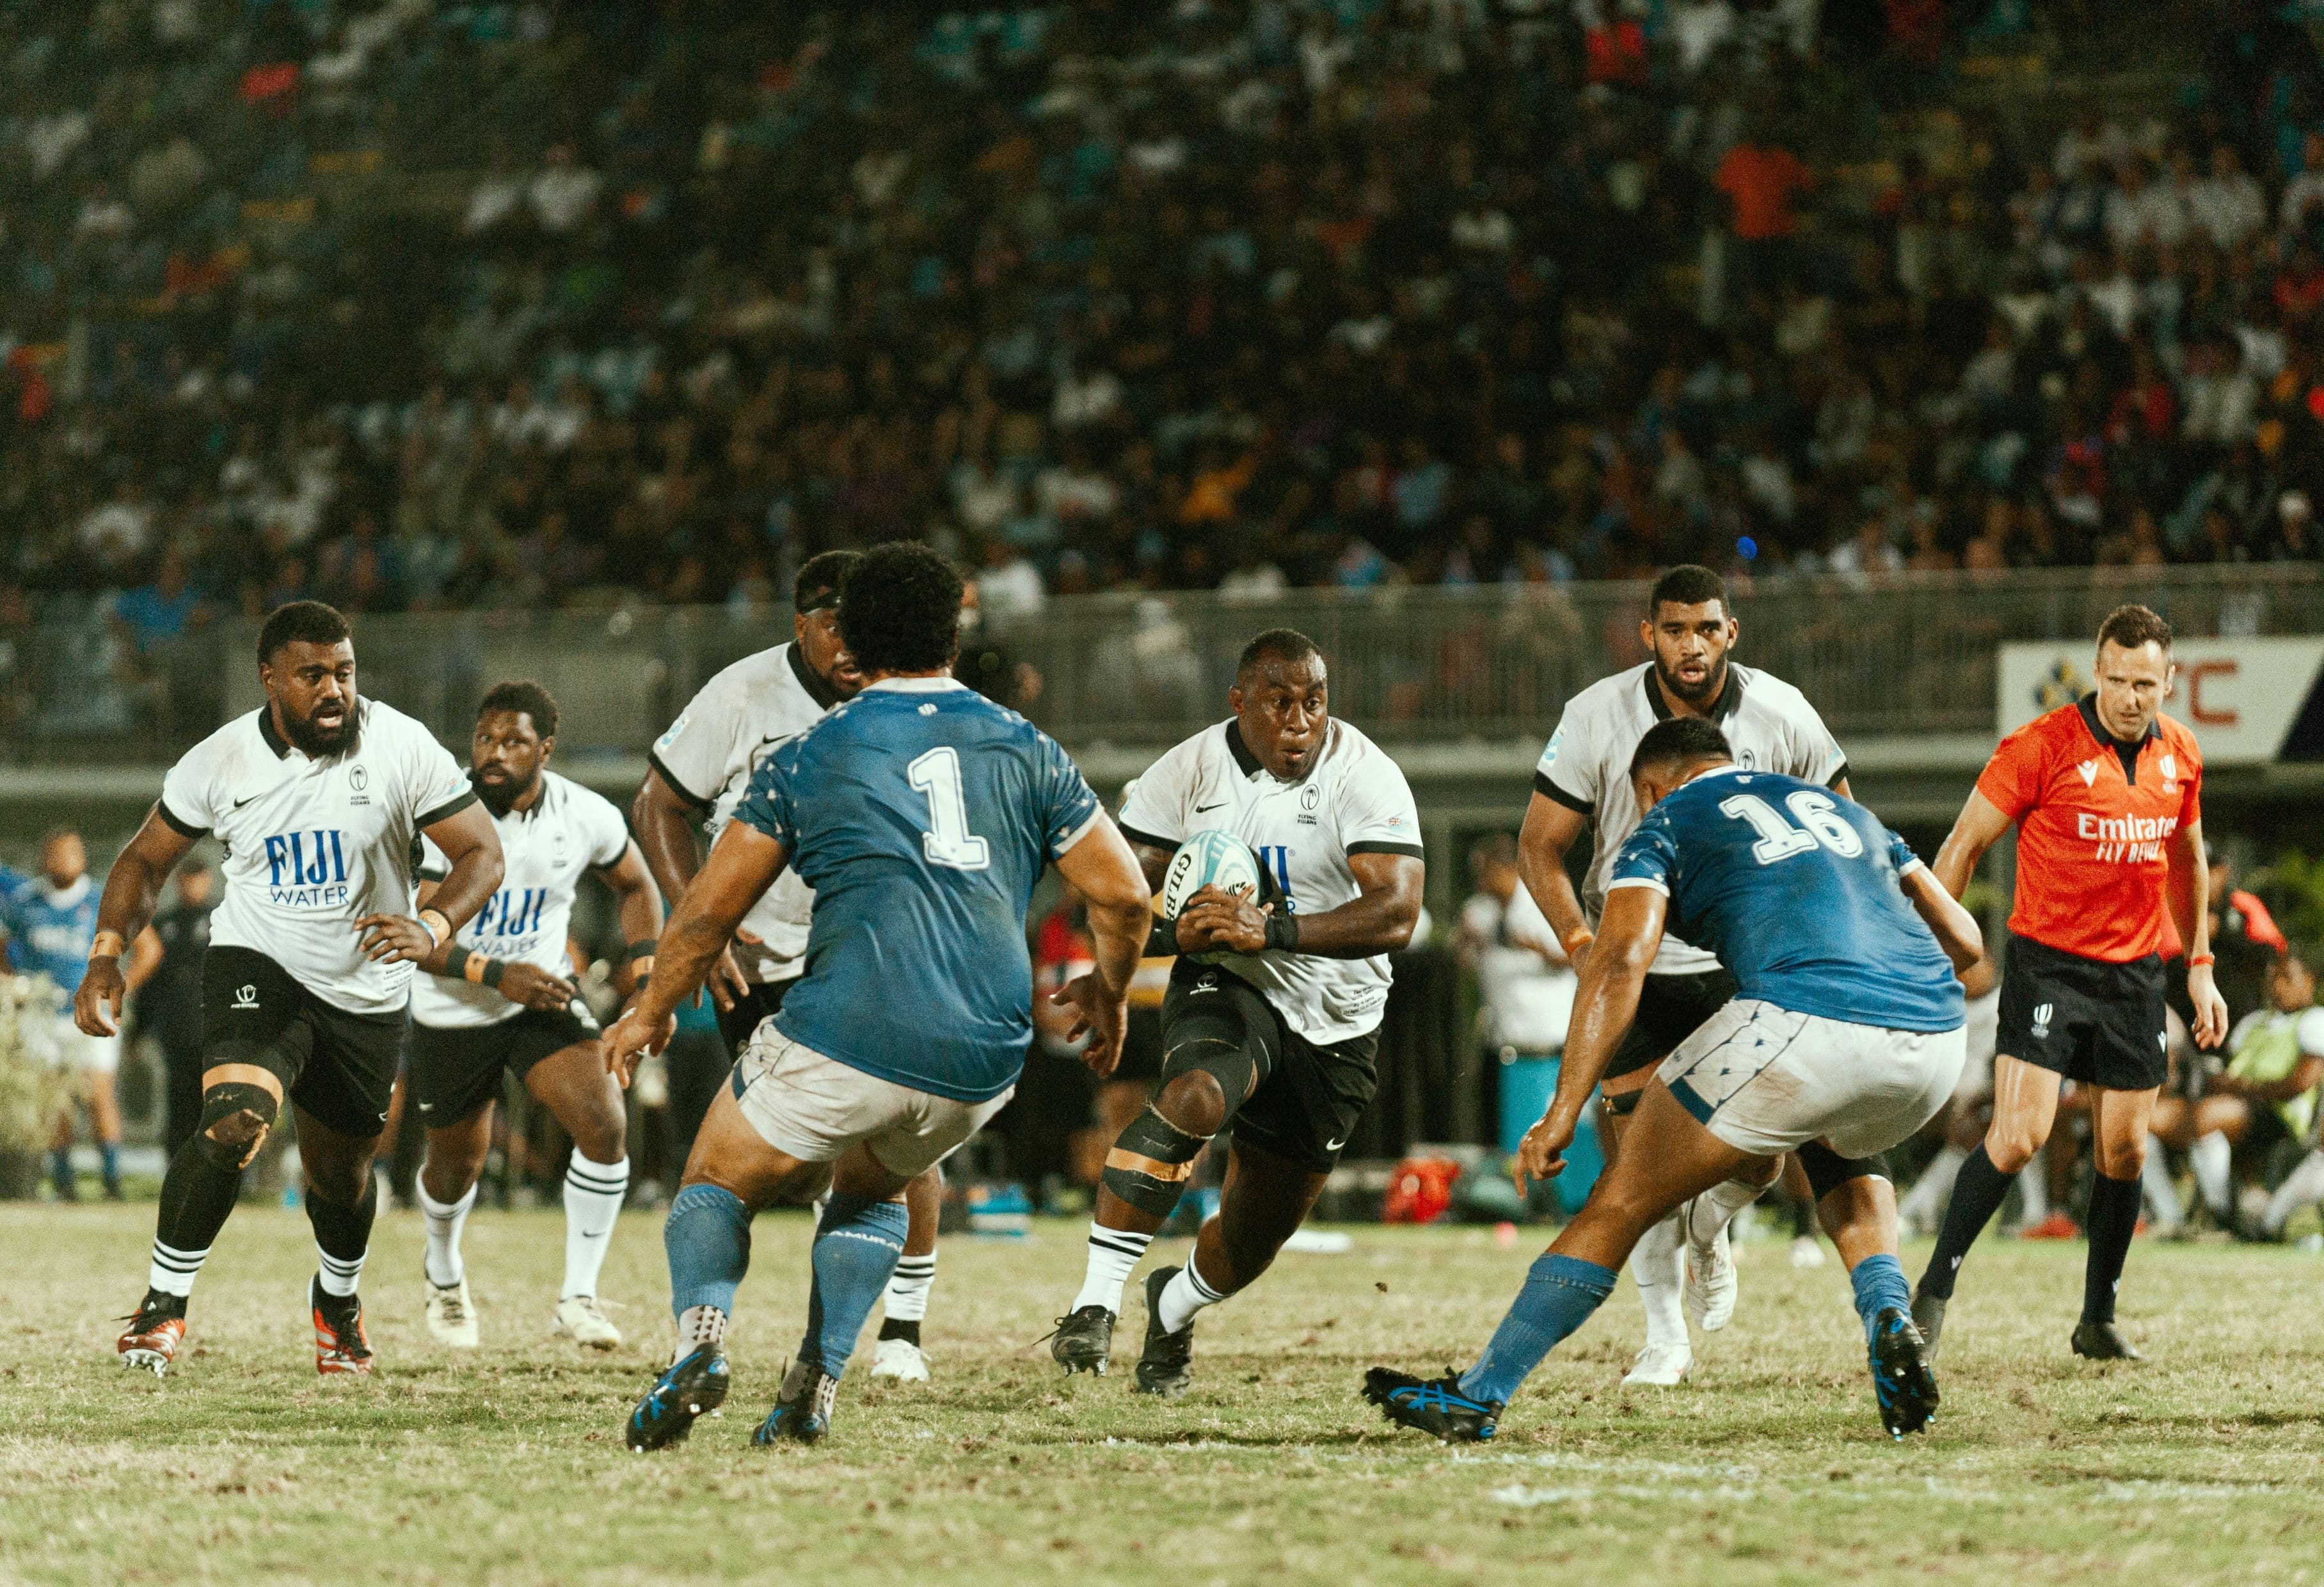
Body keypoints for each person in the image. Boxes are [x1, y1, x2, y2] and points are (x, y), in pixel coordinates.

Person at [606, 542, 1150, 1450]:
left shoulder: (817, 747)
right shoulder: (1027, 743)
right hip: (987, 1053)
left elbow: (706, 913)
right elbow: (1127, 894)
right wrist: (1113, 990)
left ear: (855, 636)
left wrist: (651, 1009)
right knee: (873, 1187)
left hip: (855, 1026)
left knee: (714, 1182)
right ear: (954, 631)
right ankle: (818, 1378)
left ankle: (699, 1347)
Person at [1364, 717, 1983, 1444]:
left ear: (1649, 787)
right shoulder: (1844, 809)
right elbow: (1966, 943)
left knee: (1622, 1196)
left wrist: (1563, 1108)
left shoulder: (1665, 820)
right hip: (1934, 1039)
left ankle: (1480, 1392)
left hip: (1810, 1022)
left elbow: (1620, 959)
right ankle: (1886, 1310)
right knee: (1836, 1150)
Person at [83, 600, 505, 1376]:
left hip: (367, 986)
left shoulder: (402, 743)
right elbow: (145, 861)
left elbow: (481, 849)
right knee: (235, 1119)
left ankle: (337, 1302)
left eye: (344, 671)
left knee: (342, 1179)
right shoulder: (220, 758)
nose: (334, 689)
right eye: (312, 675)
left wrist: (436, 925)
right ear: (269, 679)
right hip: (260, 964)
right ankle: (162, 1305)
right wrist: (109, 950)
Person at [1047, 628, 1426, 1394]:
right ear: (1238, 701)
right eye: (1278, 701)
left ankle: (1173, 1304)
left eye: (1312, 703)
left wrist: (1275, 928)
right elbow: (1114, 892)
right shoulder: (1187, 770)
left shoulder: (1364, 773)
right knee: (1193, 1095)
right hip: (1231, 982)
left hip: (1338, 1018)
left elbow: (1397, 912)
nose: (1298, 720)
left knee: (1253, 1237)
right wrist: (1150, 945)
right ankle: (1093, 1303)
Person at [1515, 564, 1852, 1386]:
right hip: (1634, 963)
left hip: (1742, 958)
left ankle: (1713, 1226)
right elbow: (1538, 842)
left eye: (1706, 628)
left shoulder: (1782, 712)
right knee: (1633, 1161)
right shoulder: (1595, 713)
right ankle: (1663, 1337)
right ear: (1647, 636)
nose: (1691, 645)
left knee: (1757, 1156)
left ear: (1730, 631)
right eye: (1674, 629)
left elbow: (1844, 819)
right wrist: (1574, 936)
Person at [630, 551, 948, 1384]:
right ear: (798, 623)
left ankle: (900, 1332)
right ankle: (766, 1341)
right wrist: (703, 921)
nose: (846, 643)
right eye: (830, 623)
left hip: (876, 955)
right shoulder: (741, 694)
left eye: (860, 623)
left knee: (890, 1143)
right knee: (790, 1158)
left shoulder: (905, 698)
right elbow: (660, 803)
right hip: (763, 964)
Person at [1911, 604, 2227, 1362]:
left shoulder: (2180, 753)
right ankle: (1930, 1296)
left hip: (2133, 976)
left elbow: (2184, 863)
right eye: (2116, 680)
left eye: (2144, 683)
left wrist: (2201, 968)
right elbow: (1959, 845)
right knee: (2018, 1136)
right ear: (2096, 670)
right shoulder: (2039, 745)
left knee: (2123, 1151)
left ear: (2168, 680)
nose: (2128, 696)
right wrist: (1935, 958)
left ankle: (2096, 1320)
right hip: (2047, 962)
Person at [410, 682, 664, 1351]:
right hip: (451, 1006)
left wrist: (644, 973)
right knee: (453, 1167)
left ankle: (577, 1296)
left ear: (545, 749)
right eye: (485, 738)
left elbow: (637, 883)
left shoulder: (585, 812)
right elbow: (418, 938)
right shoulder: (443, 814)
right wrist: (498, 974)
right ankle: (443, 1270)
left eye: (514, 741)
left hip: (541, 996)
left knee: (605, 1123)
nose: (495, 753)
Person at [4, 827, 154, 1199]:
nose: (63, 862)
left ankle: (111, 1181)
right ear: (43, 859)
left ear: (83, 858)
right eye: (55, 854)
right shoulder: (25, 901)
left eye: (70, 854)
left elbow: (149, 948)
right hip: (43, 1015)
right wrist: (14, 986)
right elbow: (3, 948)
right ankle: (64, 1180)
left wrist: (119, 987)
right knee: (55, 1099)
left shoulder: (103, 897)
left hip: (91, 1012)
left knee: (99, 1091)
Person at [2151, 952, 2324, 1234]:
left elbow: (2300, 1083)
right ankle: (2172, 1215)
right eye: (2272, 979)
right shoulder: (2253, 1023)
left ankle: (2221, 1216)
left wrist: (2243, 1088)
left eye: (2286, 978)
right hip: (2234, 1107)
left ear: (2309, 982)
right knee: (2140, 1125)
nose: (2277, 987)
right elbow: (2223, 1072)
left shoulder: (2316, 1021)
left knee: (2205, 1117)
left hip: (2279, 1117)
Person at [137, 859, 216, 1157]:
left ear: (207, 880)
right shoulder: (163, 924)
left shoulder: (224, 918)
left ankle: (229, 1173)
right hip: (177, 1028)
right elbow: (151, 982)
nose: (191, 885)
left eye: (197, 879)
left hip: (216, 1027)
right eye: (185, 879)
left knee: (218, 1098)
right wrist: (139, 1030)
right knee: (180, 1099)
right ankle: (178, 1165)